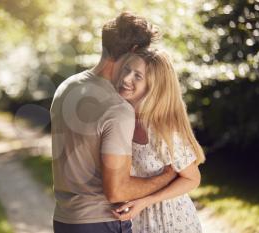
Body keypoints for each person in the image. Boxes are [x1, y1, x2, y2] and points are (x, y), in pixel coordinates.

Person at [50, 12, 178, 233]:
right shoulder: (117, 107)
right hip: (101, 222)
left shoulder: (67, 87)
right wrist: (166, 176)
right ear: (134, 51)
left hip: (64, 220)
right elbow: (117, 191)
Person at [112, 48, 205, 233]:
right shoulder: (122, 119)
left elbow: (192, 179)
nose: (126, 78)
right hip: (137, 221)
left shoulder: (163, 130)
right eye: (127, 70)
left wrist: (145, 201)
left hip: (171, 222)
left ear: (153, 85)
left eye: (137, 76)